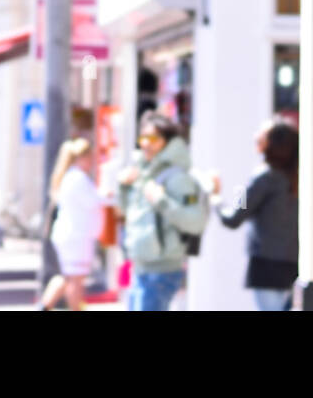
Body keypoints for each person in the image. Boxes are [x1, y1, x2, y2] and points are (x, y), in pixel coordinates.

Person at [117, 112, 208, 312]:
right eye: (143, 138)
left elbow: (196, 221)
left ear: (167, 142)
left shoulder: (176, 177)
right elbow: (127, 213)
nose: (147, 144)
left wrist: (161, 200)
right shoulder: (143, 172)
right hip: (141, 267)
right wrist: (123, 187)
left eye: (154, 138)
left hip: (161, 271)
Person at [211, 118, 300, 311]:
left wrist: (217, 197)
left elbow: (233, 216)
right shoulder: (297, 177)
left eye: (262, 134)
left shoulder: (263, 177)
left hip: (266, 266)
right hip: (293, 265)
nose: (256, 136)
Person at [40, 139, 104, 310]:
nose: (92, 162)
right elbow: (93, 202)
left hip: (70, 234)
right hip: (77, 235)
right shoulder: (78, 178)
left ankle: (44, 306)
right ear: (81, 157)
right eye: (90, 157)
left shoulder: (69, 176)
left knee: (68, 277)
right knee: (76, 280)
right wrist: (107, 194)